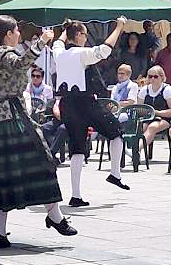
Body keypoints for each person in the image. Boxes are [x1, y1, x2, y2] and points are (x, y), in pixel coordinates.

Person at [0, 16, 75, 248]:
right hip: (8, 118)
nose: (19, 34)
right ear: (8, 34)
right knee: (41, 162)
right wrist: (41, 42)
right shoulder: (3, 52)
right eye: (17, 30)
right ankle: (54, 216)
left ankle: (0, 232)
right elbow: (19, 64)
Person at [53, 17, 129, 207]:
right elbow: (105, 50)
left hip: (67, 104)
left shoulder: (59, 53)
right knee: (116, 131)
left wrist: (66, 29)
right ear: (79, 35)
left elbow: (58, 42)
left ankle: (76, 195)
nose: (86, 38)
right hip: (85, 102)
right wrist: (119, 27)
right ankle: (115, 173)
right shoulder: (81, 54)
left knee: (77, 148)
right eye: (85, 35)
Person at [138, 65, 171, 150]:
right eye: (150, 76)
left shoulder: (167, 90)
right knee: (142, 127)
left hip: (166, 118)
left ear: (162, 77)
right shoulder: (144, 90)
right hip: (148, 118)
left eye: (155, 76)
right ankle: (137, 150)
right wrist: (145, 112)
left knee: (152, 127)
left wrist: (157, 113)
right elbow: (139, 107)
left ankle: (137, 149)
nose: (153, 79)